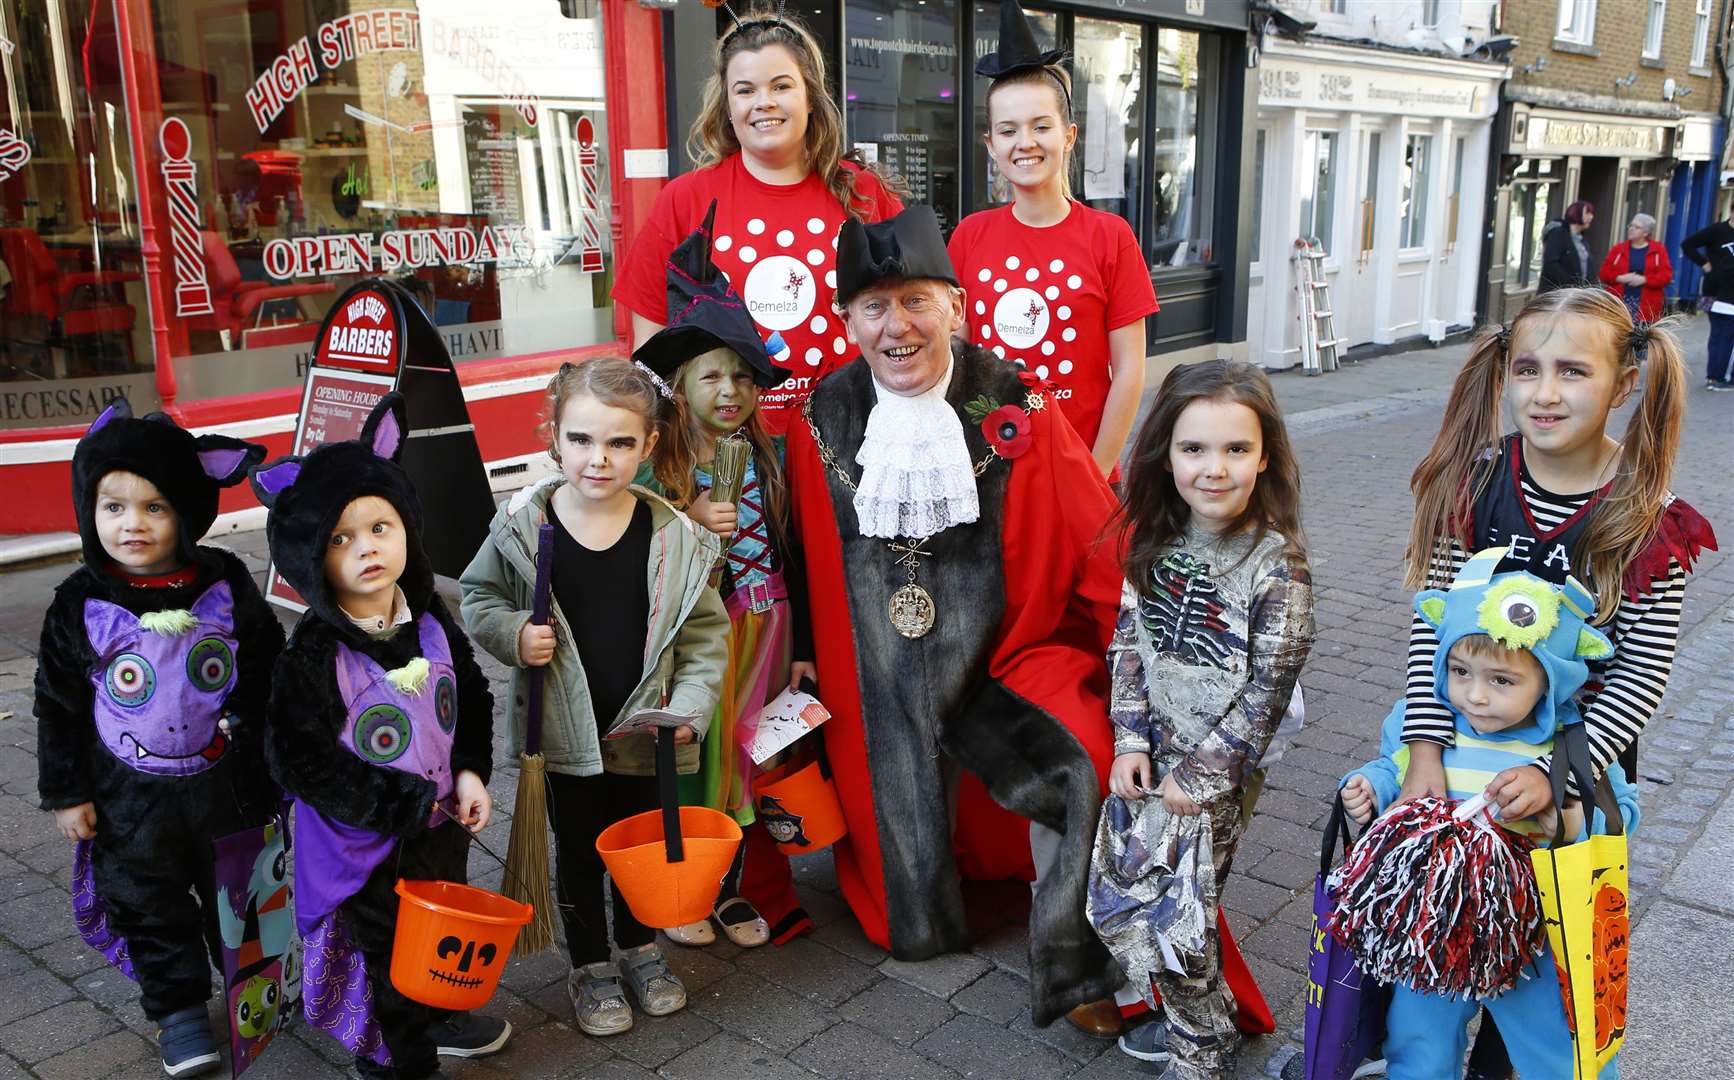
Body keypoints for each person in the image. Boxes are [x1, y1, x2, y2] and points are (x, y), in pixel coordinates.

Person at [786, 204, 1124, 1027]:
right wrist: (799, 648)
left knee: (1084, 758)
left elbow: (1097, 534)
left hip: (1003, 656)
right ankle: (926, 913)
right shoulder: (818, 415)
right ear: (847, 319)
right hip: (878, 672)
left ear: (956, 307)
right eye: (874, 307)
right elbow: (798, 548)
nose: (896, 326)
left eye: (916, 302)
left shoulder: (1016, 403)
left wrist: (1142, 646)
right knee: (916, 933)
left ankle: (1075, 965)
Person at [459, 360, 729, 1038]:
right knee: (579, 848)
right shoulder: (524, 524)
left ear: (648, 443)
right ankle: (590, 966)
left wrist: (690, 709)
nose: (598, 459)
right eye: (581, 440)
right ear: (554, 437)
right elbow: (478, 596)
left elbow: (702, 636)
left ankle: (640, 950)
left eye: (618, 443)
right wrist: (516, 634)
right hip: (562, 732)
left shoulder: (674, 535)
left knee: (639, 843)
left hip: (646, 731)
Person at [251, 395, 509, 1078]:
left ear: (406, 528)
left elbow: (472, 697)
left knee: (436, 926)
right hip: (362, 848)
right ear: (311, 556)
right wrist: (393, 804)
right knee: (384, 953)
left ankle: (435, 1012)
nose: (366, 547)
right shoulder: (313, 655)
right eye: (340, 539)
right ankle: (399, 1059)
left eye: (379, 526)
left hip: (440, 822)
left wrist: (471, 772)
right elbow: (295, 756)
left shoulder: (429, 619)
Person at [1399, 288, 1714, 825]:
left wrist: (1557, 775)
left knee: (1554, 905)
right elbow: (1435, 628)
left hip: (1576, 761)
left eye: (1572, 372)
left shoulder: (1650, 520)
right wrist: (1425, 749)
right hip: (1463, 744)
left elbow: (1640, 673)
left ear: (1622, 386)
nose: (1544, 393)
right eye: (1527, 370)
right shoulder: (1471, 485)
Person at [35, 400, 279, 1078]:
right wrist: (66, 791)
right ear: (90, 510)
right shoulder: (79, 600)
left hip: (228, 789)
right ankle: (176, 1011)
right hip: (129, 803)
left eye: (154, 507)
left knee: (242, 891)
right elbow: (56, 704)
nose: (132, 525)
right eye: (113, 507)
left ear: (190, 510)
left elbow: (264, 663)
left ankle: (251, 987)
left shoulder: (224, 579)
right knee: (148, 902)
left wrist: (263, 739)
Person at [1089, 360, 1315, 1077]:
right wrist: (1129, 736)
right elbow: (1128, 641)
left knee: (1181, 914)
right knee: (1127, 895)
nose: (1214, 469)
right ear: (1166, 455)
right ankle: (1204, 1019)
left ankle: (1199, 1050)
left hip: (1218, 770)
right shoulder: (1155, 542)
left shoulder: (1277, 566)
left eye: (1235, 449)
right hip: (1154, 751)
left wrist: (1207, 772)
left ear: (1265, 455)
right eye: (1194, 449)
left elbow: (1271, 683)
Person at [1340, 549, 1635, 1080]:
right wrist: (1367, 788)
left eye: (1502, 681)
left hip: (1534, 938)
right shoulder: (1430, 728)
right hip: (1433, 926)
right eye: (1459, 671)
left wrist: (1567, 816)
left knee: (1558, 1046)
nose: (1474, 696)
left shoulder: (1569, 747)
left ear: (1553, 680)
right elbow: (1394, 769)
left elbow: (1620, 814)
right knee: (1418, 1042)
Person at [633, 206, 819, 949]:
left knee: (750, 760)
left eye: (744, 377)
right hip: (699, 637)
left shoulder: (765, 456)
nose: (732, 391)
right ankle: (685, 887)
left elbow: (788, 555)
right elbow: (637, 557)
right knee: (693, 759)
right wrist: (686, 524)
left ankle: (737, 884)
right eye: (714, 376)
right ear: (681, 384)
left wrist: (800, 642)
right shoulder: (662, 464)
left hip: (765, 627)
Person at [612, 7, 903, 433]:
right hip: (727, 453)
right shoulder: (685, 199)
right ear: (728, 106)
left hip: (853, 439)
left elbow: (906, 322)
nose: (763, 102)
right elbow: (651, 348)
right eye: (745, 90)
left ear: (809, 96)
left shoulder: (863, 194)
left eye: (781, 86)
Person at [948, 0, 1157, 481]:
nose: (1026, 142)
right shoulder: (969, 236)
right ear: (991, 145)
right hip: (991, 478)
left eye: (1041, 126)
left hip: (1083, 469)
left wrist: (1094, 473)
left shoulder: (1110, 237)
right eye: (1008, 130)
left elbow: (1129, 372)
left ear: (1069, 135)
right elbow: (955, 361)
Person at [1679, 207, 1734, 389]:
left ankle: (1716, 376)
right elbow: (1688, 245)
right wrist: (1704, 263)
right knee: (1720, 333)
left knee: (1724, 334)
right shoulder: (1717, 230)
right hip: (1714, 291)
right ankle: (1715, 377)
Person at [1598, 213, 1671, 323]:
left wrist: (1644, 280)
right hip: (1619, 302)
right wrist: (1620, 278)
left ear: (1646, 232)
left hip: (1647, 304)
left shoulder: (1658, 250)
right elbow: (1603, 273)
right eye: (1631, 226)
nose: (1631, 229)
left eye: (1637, 227)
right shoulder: (1618, 249)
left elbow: (1666, 276)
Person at [1538, 201, 1594, 294]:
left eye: (1592, 213)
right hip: (1556, 293)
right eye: (1587, 213)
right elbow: (1550, 263)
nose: (1591, 217)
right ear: (1577, 213)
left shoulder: (1581, 240)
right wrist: (1571, 284)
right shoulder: (1558, 233)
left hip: (1576, 293)